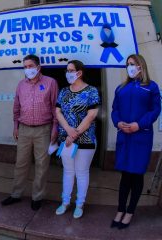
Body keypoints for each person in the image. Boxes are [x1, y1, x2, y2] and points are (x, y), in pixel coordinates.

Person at [1, 54, 58, 211]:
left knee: (42, 164)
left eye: (30, 66)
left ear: (38, 67)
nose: (28, 69)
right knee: (21, 163)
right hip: (24, 128)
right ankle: (16, 194)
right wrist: (15, 126)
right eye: (25, 67)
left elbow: (55, 108)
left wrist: (55, 128)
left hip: (44, 129)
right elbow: (16, 107)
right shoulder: (21, 85)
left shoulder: (50, 83)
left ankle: (37, 196)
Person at [111, 54, 161, 229]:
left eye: (132, 64)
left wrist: (139, 125)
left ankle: (130, 212)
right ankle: (120, 210)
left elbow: (155, 110)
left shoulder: (151, 87)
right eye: (127, 64)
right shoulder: (121, 88)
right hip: (124, 136)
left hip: (141, 136)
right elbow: (114, 109)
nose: (129, 67)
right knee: (125, 175)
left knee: (137, 174)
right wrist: (118, 122)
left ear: (141, 66)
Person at [54, 60, 100, 219]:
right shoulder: (64, 91)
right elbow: (58, 112)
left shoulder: (91, 90)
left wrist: (75, 134)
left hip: (85, 139)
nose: (68, 73)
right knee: (68, 172)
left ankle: (79, 204)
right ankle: (65, 202)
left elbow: (92, 115)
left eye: (71, 70)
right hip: (66, 139)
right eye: (67, 70)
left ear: (79, 72)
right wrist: (68, 131)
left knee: (81, 172)